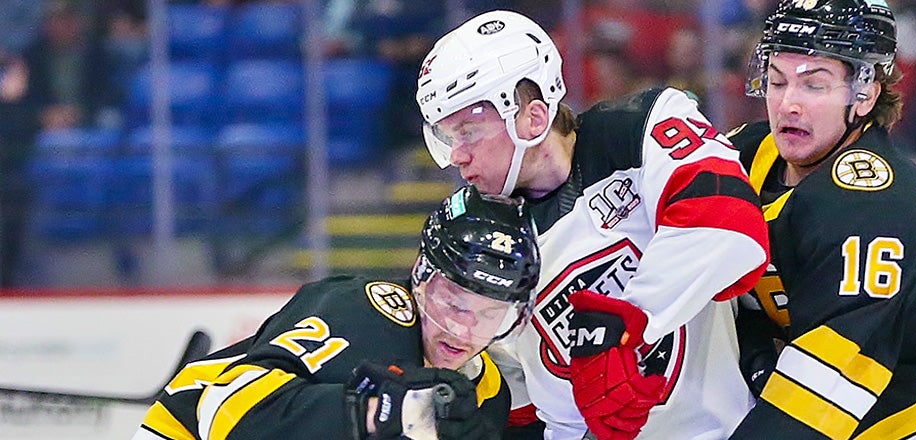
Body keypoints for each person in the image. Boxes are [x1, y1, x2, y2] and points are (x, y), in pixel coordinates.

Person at [415, 10, 770, 440]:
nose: (457, 156)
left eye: (468, 132)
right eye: (448, 138)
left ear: (531, 117)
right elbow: (513, 393)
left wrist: (622, 324)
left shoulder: (643, 127)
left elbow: (731, 229)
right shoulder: (474, 231)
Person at [724, 0, 916, 437]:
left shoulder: (878, 204)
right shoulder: (744, 155)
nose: (787, 103)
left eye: (814, 85)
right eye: (776, 81)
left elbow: (824, 388)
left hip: (909, 426)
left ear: (864, 93)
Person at [133, 185, 540, 440]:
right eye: (453, 302)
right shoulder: (367, 313)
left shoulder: (486, 391)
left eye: (490, 315)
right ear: (421, 278)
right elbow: (224, 411)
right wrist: (368, 413)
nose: (463, 330)